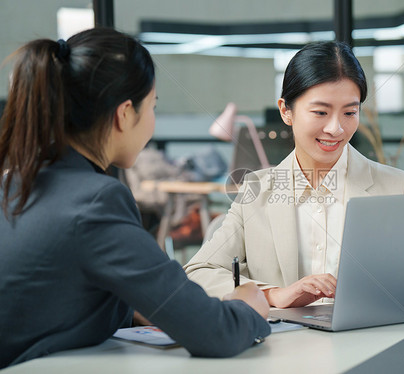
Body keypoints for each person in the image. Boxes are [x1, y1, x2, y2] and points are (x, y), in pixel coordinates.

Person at [0, 28, 270, 369]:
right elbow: (215, 333)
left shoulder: (15, 183)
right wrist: (249, 306)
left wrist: (132, 309)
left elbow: (49, 301)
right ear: (125, 113)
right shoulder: (95, 201)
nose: (152, 122)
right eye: (152, 106)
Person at [184, 41, 404, 309]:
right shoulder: (256, 190)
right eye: (320, 112)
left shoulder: (397, 187)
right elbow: (199, 271)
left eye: (350, 112)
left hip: (370, 339)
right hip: (283, 347)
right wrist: (273, 295)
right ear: (286, 111)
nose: (336, 128)